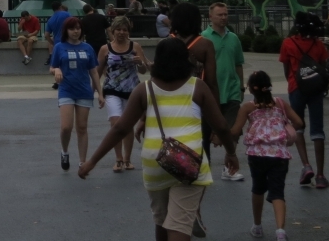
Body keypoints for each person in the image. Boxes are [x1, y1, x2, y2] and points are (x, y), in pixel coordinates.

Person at [78, 38, 238, 241]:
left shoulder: (145, 89)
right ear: (185, 60)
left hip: (156, 162)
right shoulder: (197, 87)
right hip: (189, 162)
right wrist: (231, 152)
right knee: (179, 226)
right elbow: (222, 126)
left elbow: (120, 129)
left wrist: (92, 161)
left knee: (162, 221)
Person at [230, 70, 304, 241]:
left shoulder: (248, 107)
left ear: (251, 89)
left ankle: (257, 226)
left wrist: (220, 132)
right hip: (279, 154)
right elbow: (299, 122)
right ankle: (280, 231)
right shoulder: (280, 103)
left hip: (256, 154)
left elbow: (235, 131)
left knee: (258, 188)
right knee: (278, 192)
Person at [278, 10, 328, 188]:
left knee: (298, 127)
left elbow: (286, 68)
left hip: (296, 88)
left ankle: (306, 165)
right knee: (317, 130)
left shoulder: (288, 43)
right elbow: (323, 68)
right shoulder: (318, 45)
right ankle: (321, 175)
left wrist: (293, 82)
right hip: (315, 90)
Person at [50, 16, 104, 171]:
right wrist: (57, 69)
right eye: (72, 28)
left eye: (78, 28)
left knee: (82, 127)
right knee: (66, 127)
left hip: (84, 91)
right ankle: (65, 151)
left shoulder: (87, 48)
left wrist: (100, 93)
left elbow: (93, 72)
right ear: (66, 30)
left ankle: (82, 162)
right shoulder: (60, 47)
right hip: (66, 90)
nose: (75, 31)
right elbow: (52, 67)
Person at [97, 16, 148, 172]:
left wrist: (139, 62)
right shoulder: (105, 49)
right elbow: (97, 72)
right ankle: (118, 158)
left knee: (128, 125)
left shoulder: (135, 46)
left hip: (131, 90)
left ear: (128, 31)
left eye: (124, 30)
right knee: (116, 123)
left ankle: (127, 159)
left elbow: (144, 70)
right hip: (112, 89)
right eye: (118, 29)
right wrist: (99, 93)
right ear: (112, 31)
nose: (121, 32)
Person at [201, 1, 246, 178]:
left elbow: (238, 64)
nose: (224, 17)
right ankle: (204, 168)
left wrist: (241, 87)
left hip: (232, 91)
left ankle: (230, 168)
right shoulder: (203, 38)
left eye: (226, 14)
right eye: (220, 14)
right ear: (210, 16)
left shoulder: (234, 38)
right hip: (210, 93)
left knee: (232, 131)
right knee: (204, 133)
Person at [44, 2, 71, 69]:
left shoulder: (51, 19)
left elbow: (46, 35)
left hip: (57, 43)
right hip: (69, 41)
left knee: (61, 62)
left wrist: (51, 42)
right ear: (60, 7)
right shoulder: (66, 14)